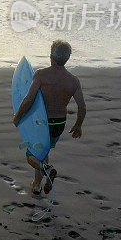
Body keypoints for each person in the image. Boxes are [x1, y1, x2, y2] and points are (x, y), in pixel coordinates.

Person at [13, 40, 86, 195]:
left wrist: (18, 117)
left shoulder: (41, 75)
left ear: (51, 56)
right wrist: (78, 125)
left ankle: (47, 169)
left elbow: (28, 99)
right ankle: (37, 185)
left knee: (31, 156)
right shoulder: (73, 80)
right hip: (59, 124)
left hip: (41, 123)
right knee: (43, 151)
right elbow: (82, 106)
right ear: (67, 58)